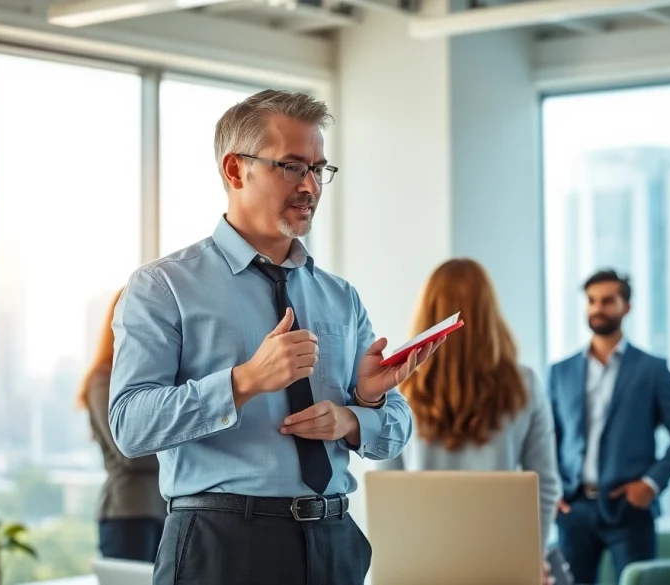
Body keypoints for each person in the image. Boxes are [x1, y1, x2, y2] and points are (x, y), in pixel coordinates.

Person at [109, 90, 441, 585]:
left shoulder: (339, 296)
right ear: (236, 170)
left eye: (318, 168)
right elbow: (130, 427)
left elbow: (394, 429)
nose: (310, 185)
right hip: (220, 545)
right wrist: (243, 381)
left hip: (334, 542)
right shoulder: (164, 287)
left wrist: (357, 411)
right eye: (291, 166)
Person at [378, 258, 562, 548]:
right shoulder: (524, 384)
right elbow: (546, 486)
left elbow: (386, 492)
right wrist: (532, 558)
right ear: (490, 312)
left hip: (422, 554)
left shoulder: (400, 388)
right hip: (500, 552)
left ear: (428, 314)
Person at [548, 269, 670, 584]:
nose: (597, 308)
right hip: (574, 509)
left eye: (607, 301)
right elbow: (548, 437)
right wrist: (553, 488)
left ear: (626, 306)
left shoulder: (652, 369)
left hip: (629, 509)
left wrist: (651, 483)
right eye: (591, 301)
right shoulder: (560, 372)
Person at [78, 287, 165, 562]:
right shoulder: (104, 380)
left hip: (163, 511)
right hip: (129, 512)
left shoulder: (159, 378)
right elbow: (131, 449)